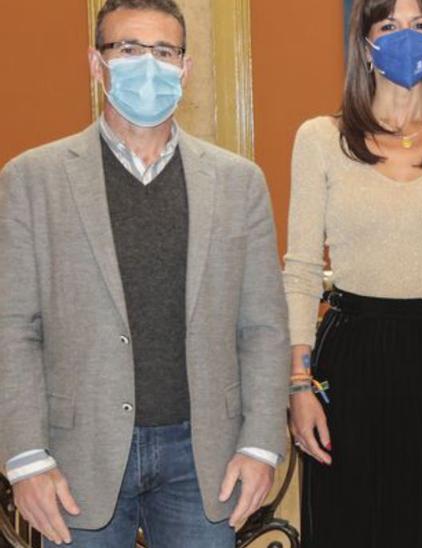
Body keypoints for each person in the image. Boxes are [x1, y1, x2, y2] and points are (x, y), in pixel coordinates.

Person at [0, 0, 289, 545]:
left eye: (164, 51)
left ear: (186, 67)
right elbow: (12, 328)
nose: (148, 65)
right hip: (76, 456)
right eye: (128, 49)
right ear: (96, 63)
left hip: (205, 457)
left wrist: (260, 446)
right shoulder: (31, 180)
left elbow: (263, 329)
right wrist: (23, 458)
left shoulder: (238, 183)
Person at [282, 0, 422, 545]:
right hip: (351, 359)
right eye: (389, 25)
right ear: (365, 42)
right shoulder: (320, 140)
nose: (407, 37)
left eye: (421, 25)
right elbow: (302, 272)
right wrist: (298, 386)